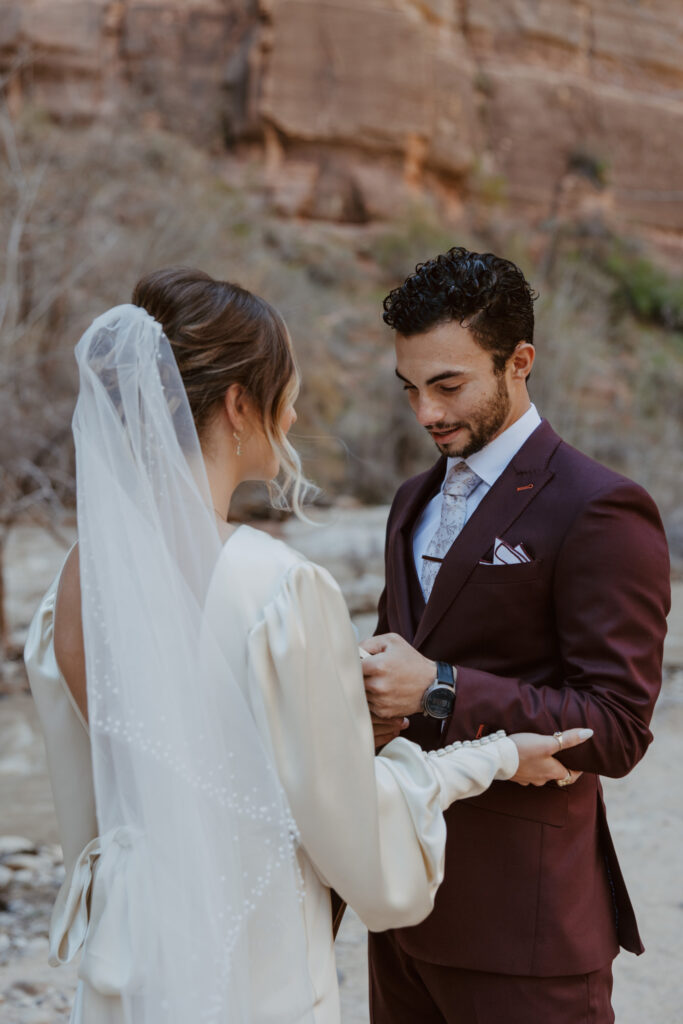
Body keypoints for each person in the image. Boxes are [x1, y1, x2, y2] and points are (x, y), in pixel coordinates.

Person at [23, 268, 591, 1024]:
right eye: (285, 391)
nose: (290, 418)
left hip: (132, 953)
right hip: (251, 959)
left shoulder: (75, 579)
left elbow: (122, 782)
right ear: (238, 404)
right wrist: (490, 757)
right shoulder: (276, 588)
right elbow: (352, 833)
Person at [360, 246, 671, 1024]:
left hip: (523, 932)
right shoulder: (409, 501)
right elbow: (390, 664)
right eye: (410, 390)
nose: (426, 413)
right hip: (398, 908)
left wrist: (440, 687)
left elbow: (617, 728)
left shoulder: (600, 508)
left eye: (447, 385)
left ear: (518, 361)